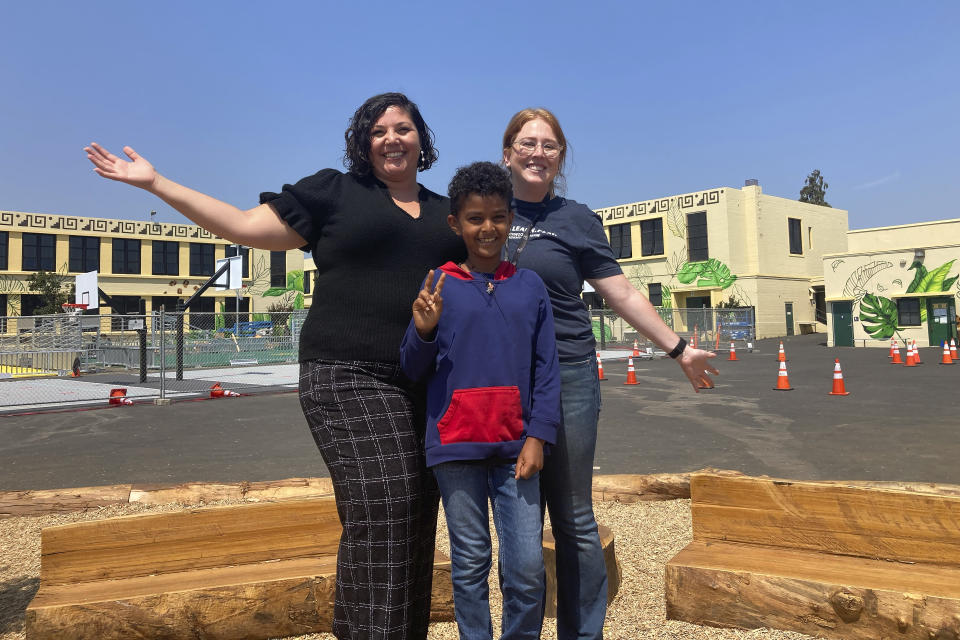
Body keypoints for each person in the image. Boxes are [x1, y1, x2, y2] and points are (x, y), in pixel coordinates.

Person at [84, 92, 465, 640]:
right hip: (346, 373)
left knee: (417, 509)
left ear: (421, 138)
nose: (391, 139)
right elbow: (241, 225)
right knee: (385, 501)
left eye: (403, 128)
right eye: (378, 130)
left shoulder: (443, 212)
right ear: (363, 142)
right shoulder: (335, 191)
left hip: (423, 376)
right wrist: (155, 183)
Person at [500, 108, 719, 639]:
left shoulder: (575, 218)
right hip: (502, 379)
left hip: (569, 372)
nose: (537, 153)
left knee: (573, 518)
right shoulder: (481, 209)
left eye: (549, 145)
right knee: (519, 523)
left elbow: (618, 291)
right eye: (527, 143)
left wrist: (678, 348)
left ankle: (583, 632)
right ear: (507, 153)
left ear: (561, 157)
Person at [399, 162, 561, 640]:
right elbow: (411, 368)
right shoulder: (439, 285)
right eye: (475, 218)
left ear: (510, 218)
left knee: (527, 565)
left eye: (497, 217)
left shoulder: (529, 286)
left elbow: (546, 370)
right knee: (469, 564)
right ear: (456, 223)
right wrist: (423, 330)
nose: (487, 228)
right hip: (456, 448)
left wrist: (539, 436)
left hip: (517, 449)